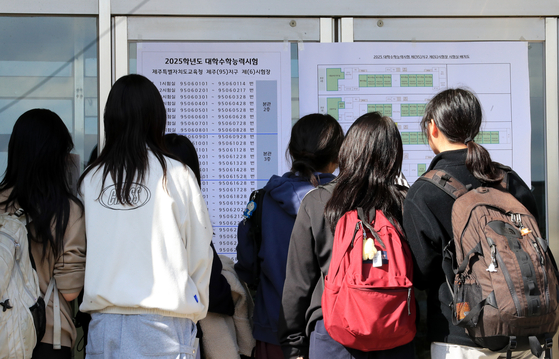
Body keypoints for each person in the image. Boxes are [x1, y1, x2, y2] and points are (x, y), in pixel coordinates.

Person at [79, 74, 214, 358]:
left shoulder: (90, 180)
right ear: (156, 117)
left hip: (105, 325)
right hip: (166, 324)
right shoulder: (177, 174)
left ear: (110, 118)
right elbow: (200, 255)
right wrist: (194, 307)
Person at [403, 88, 539, 359]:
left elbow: (422, 275)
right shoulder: (509, 180)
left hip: (461, 336)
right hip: (524, 334)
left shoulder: (423, 192)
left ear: (432, 128)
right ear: (474, 127)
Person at [279, 112, 414, 359]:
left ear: (348, 149)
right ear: (393, 156)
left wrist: (293, 344)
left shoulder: (318, 201)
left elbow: (298, 283)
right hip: (395, 334)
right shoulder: (405, 204)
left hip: (332, 334)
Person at [235, 113, 344, 359]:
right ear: (338, 155)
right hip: (332, 334)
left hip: (274, 329)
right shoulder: (345, 202)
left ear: (292, 152)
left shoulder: (263, 201)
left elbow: (247, 266)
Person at [0, 108, 86, 358]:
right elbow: (70, 292)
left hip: (6, 334)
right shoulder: (68, 210)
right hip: (49, 335)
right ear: (55, 156)